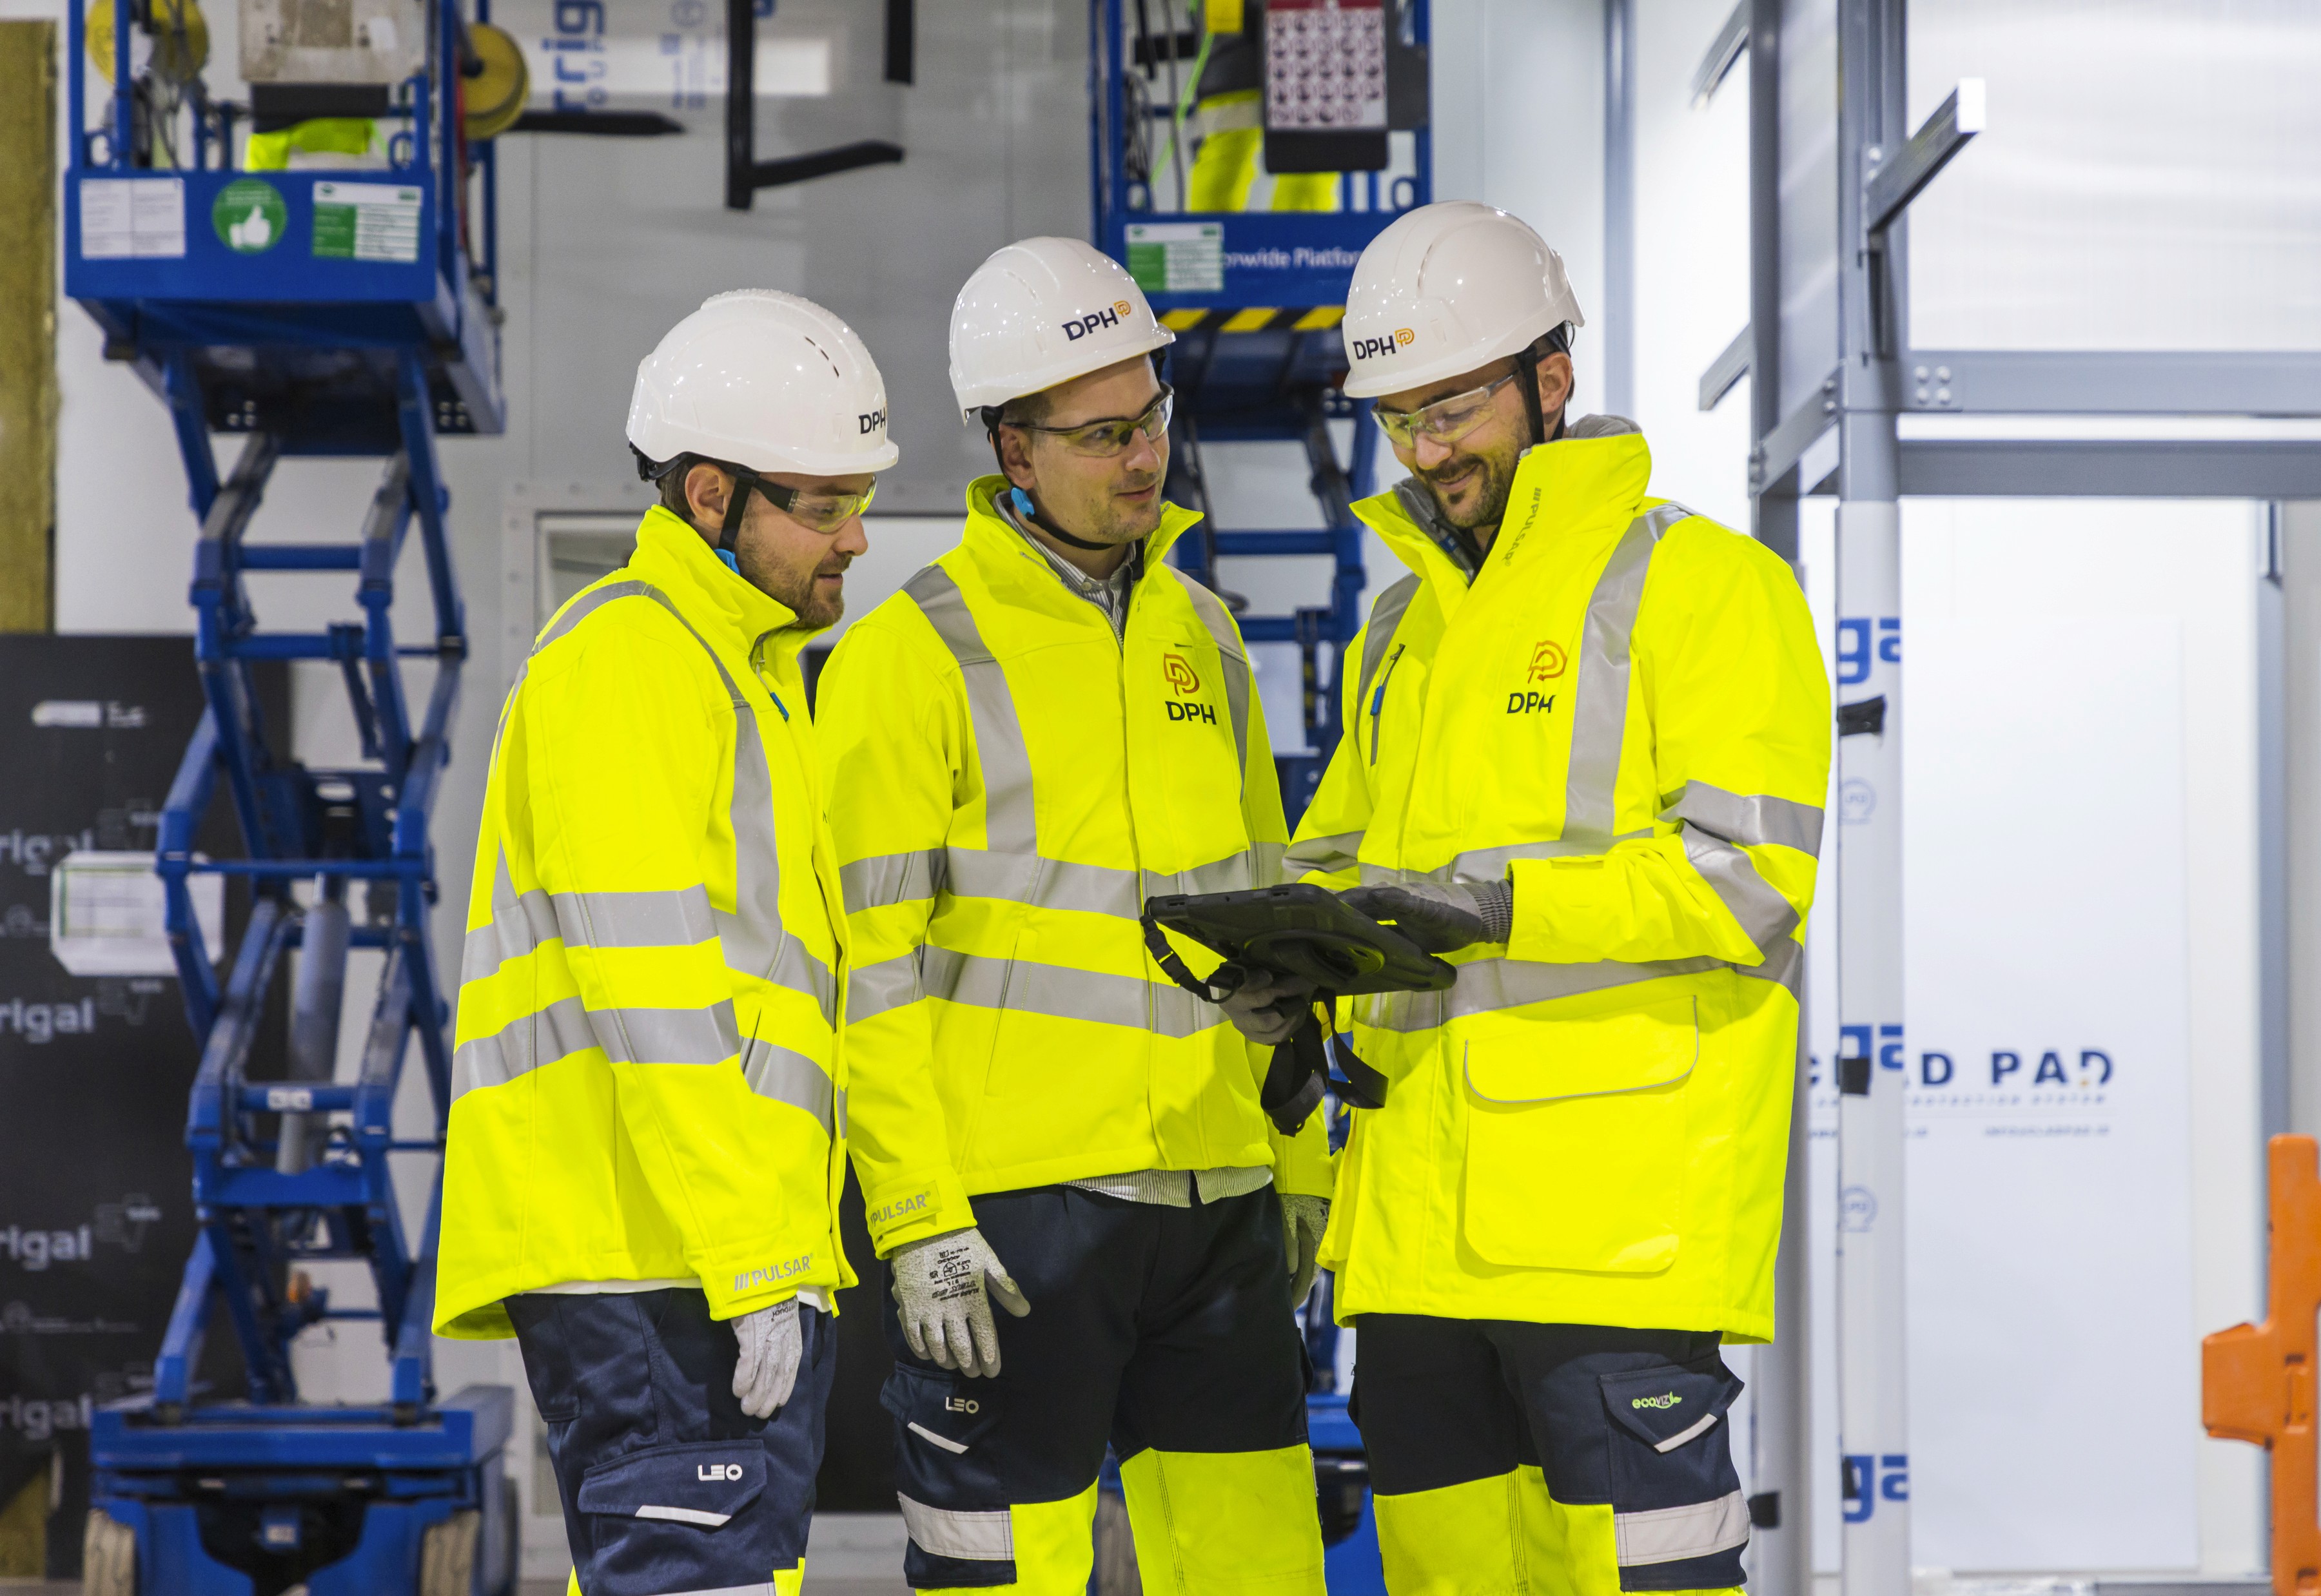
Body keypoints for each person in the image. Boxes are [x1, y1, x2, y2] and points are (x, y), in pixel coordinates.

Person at [1286, 201, 1831, 1595]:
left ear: (1553, 374)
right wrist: (1291, 934)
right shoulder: (1402, 627)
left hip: (1613, 1239)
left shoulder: (1706, 587)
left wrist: (1496, 905)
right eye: (1399, 418)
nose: (1428, 450)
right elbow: (1341, 849)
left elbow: (1749, 879)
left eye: (1454, 404)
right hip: (1415, 1238)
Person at [814, 235, 1332, 1595]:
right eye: (1103, 432)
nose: (1144, 455)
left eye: (1153, 414)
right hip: (1014, 1215)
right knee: (1005, 1574)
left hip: (1219, 1196)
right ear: (1012, 447)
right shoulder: (907, 652)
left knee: (1259, 1568)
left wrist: (1304, 1164)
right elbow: (866, 967)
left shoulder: (1208, 636)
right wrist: (915, 1214)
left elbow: (1266, 924)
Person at [435, 289, 894, 1596]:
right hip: (656, 1258)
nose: (855, 535)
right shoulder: (631, 660)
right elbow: (649, 990)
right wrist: (752, 1254)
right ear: (709, 496)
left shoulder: (744, 677)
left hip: (701, 1251)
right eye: (823, 503)